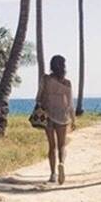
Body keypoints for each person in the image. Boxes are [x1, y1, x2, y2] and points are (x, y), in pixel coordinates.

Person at [38, 55, 74, 185]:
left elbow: (39, 96)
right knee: (62, 145)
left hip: (47, 114)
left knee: (51, 146)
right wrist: (73, 119)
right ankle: (61, 163)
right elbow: (70, 103)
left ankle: (53, 174)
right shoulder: (67, 83)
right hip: (62, 115)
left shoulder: (46, 79)